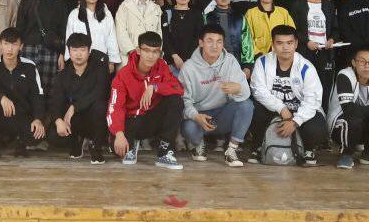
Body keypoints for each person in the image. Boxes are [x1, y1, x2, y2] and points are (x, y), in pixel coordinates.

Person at [248, 25, 325, 165]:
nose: (285, 47)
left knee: (316, 127)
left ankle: (308, 149)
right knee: (252, 109)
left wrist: (295, 122)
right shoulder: (262, 62)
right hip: (273, 109)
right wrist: (281, 108)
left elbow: (313, 100)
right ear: (273, 44)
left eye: (289, 43)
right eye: (280, 43)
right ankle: (258, 146)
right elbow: (258, 91)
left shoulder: (306, 67)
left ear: (296, 44)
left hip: (299, 109)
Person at [107, 31, 184, 169]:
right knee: (116, 148)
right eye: (146, 50)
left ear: (160, 53)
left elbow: (178, 88)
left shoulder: (162, 66)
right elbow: (115, 107)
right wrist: (118, 133)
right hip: (131, 122)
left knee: (175, 100)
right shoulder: (123, 75)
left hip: (151, 120)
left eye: (155, 52)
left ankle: (164, 152)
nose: (151, 56)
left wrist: (154, 87)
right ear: (138, 50)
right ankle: (132, 143)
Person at [179, 25, 253, 166]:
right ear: (201, 43)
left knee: (247, 105)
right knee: (188, 127)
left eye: (219, 41)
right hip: (199, 117)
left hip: (222, 115)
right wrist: (196, 116)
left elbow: (245, 93)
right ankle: (198, 144)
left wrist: (238, 88)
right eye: (210, 41)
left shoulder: (230, 61)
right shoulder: (188, 67)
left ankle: (231, 150)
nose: (215, 46)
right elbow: (184, 102)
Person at [0, 27, 46, 160]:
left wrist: (38, 119)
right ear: (0, 45)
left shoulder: (30, 66)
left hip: (21, 116)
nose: (10, 49)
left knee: (36, 135)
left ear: (21, 46)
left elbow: (38, 96)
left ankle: (20, 142)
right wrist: (0, 97)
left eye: (14, 44)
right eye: (6, 44)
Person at [48, 33, 110, 164]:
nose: (78, 54)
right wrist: (58, 120)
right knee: (53, 136)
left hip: (94, 118)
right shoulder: (63, 75)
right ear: (69, 51)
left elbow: (100, 93)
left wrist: (74, 107)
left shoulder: (99, 69)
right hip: (75, 121)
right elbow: (55, 102)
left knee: (100, 106)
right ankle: (77, 140)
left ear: (89, 51)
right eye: (74, 50)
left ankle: (96, 147)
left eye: (82, 50)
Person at [16, 0, 67, 98]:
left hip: (51, 50)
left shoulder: (59, 2)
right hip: (28, 49)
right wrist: (18, 49)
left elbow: (63, 30)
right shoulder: (26, 1)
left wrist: (62, 54)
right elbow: (20, 28)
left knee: (48, 90)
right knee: (26, 88)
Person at [291, 0, 338, 110]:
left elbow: (335, 28)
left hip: (325, 52)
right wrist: (306, 42)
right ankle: (305, 114)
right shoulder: (298, 4)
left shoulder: (328, 5)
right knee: (304, 84)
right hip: (305, 52)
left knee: (325, 85)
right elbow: (293, 29)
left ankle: (323, 114)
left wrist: (332, 40)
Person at [63, 0, 120, 71]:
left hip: (101, 59)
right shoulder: (74, 14)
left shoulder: (106, 13)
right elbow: (69, 38)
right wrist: (69, 59)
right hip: (79, 60)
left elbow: (111, 37)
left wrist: (112, 61)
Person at [240, 0, 295, 74]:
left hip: (282, 56)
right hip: (258, 57)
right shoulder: (251, 13)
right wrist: (258, 54)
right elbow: (247, 38)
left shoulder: (283, 12)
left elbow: (292, 34)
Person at [115, 0, 163, 68]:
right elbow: (120, 31)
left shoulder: (156, 8)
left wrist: (156, 52)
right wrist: (132, 51)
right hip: (129, 55)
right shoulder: (125, 6)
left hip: (151, 55)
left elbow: (159, 32)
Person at [163, 0, 203, 72]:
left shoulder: (197, 14)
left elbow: (199, 37)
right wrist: (175, 56)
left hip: (193, 61)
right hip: (171, 62)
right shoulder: (167, 13)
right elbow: (165, 37)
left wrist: (189, 59)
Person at [202, 0, 245, 66]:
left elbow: (246, 42)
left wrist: (247, 64)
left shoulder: (239, 17)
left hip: (236, 60)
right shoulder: (207, 17)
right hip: (213, 61)